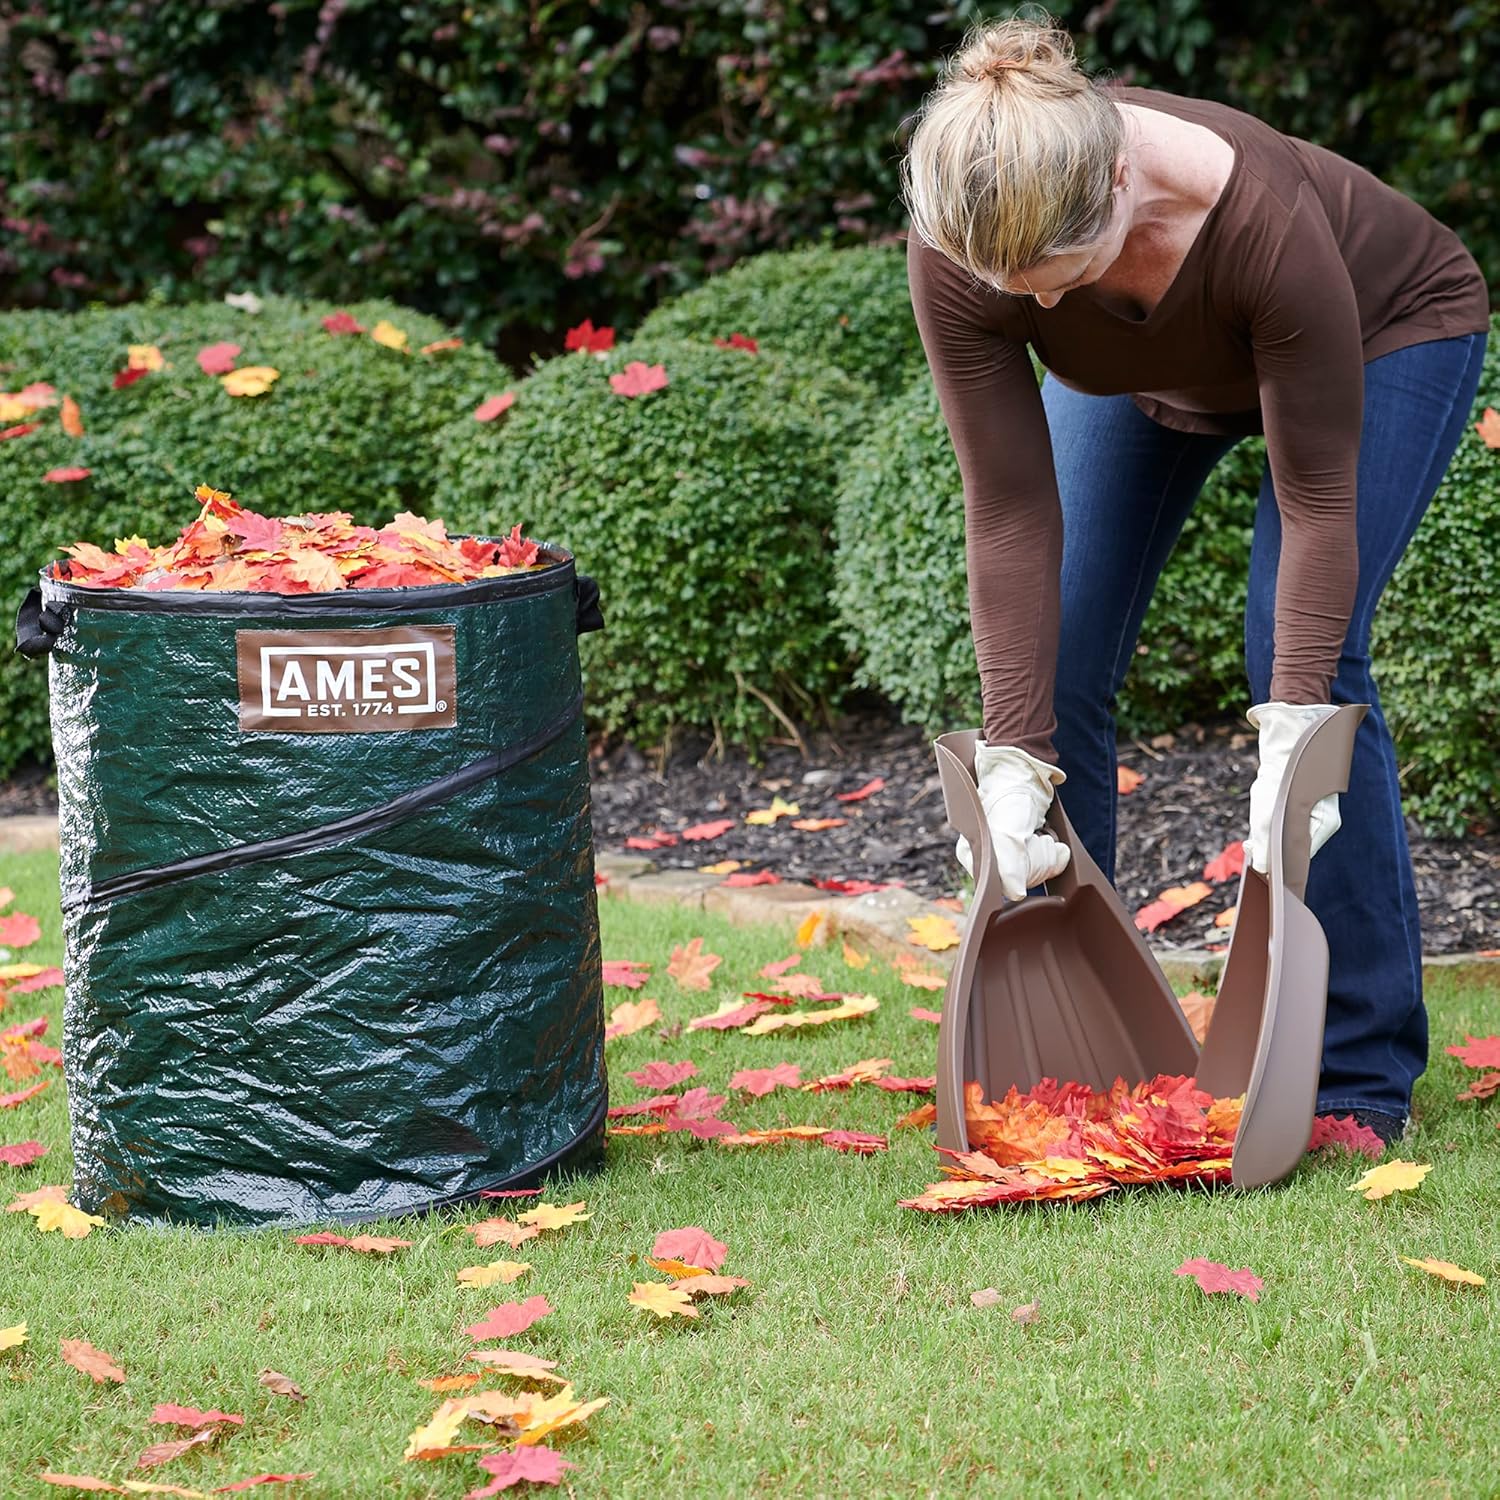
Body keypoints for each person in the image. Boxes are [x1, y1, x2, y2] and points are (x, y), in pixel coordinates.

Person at [899, 12, 1490, 1144]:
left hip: (1386, 328)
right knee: (1056, 656)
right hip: (1161, 374)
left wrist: (1294, 739)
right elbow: (1010, 507)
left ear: (1119, 183)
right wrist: (1011, 755)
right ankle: (1080, 1053)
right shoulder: (968, 232)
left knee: (1304, 659)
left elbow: (1317, 502)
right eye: (1011, 287)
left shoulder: (1262, 221)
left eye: (1055, 279)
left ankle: (1356, 1071)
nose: (1038, 311)